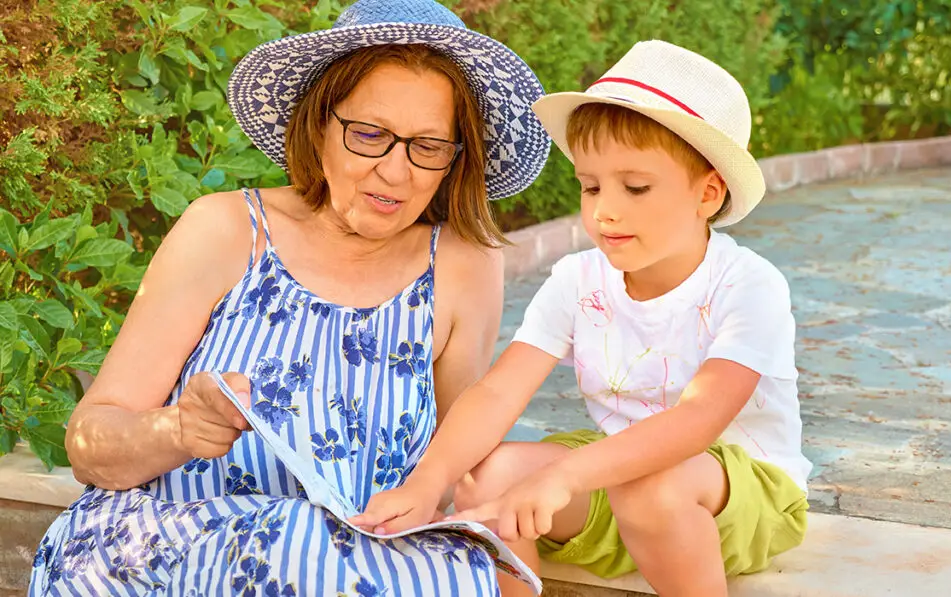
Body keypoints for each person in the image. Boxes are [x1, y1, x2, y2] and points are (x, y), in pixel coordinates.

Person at [29, 0, 550, 594]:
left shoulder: (463, 264)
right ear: (318, 124)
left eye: (428, 146)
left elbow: (464, 461)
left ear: (454, 160)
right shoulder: (226, 230)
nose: (396, 171)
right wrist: (175, 430)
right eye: (370, 134)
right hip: (162, 553)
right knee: (293, 542)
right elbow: (88, 444)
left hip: (351, 567)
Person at [353, 40, 812, 597]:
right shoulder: (578, 279)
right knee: (487, 478)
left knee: (651, 487)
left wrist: (564, 476)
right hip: (617, 484)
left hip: (741, 496)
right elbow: (499, 392)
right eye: (590, 186)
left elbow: (698, 422)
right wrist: (430, 482)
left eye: (635, 187)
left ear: (708, 194)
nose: (603, 210)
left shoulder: (747, 283)